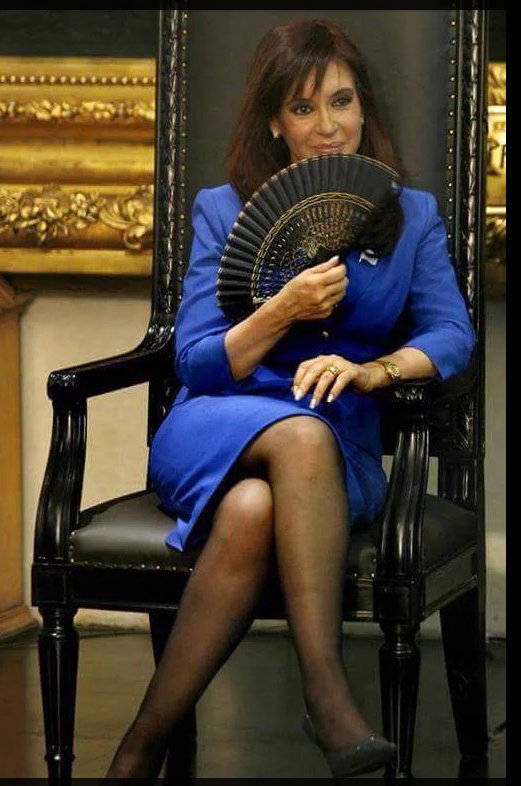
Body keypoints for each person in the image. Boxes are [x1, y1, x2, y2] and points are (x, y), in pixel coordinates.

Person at [105, 19, 475, 779]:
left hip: (337, 445)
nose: (328, 125)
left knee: (253, 507)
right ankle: (327, 694)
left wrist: (374, 372)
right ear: (275, 122)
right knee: (295, 435)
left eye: (341, 101)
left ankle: (136, 753)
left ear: (363, 108)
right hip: (217, 424)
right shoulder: (223, 209)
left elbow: (450, 335)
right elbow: (197, 361)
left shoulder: (410, 216)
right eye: (303, 108)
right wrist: (280, 311)